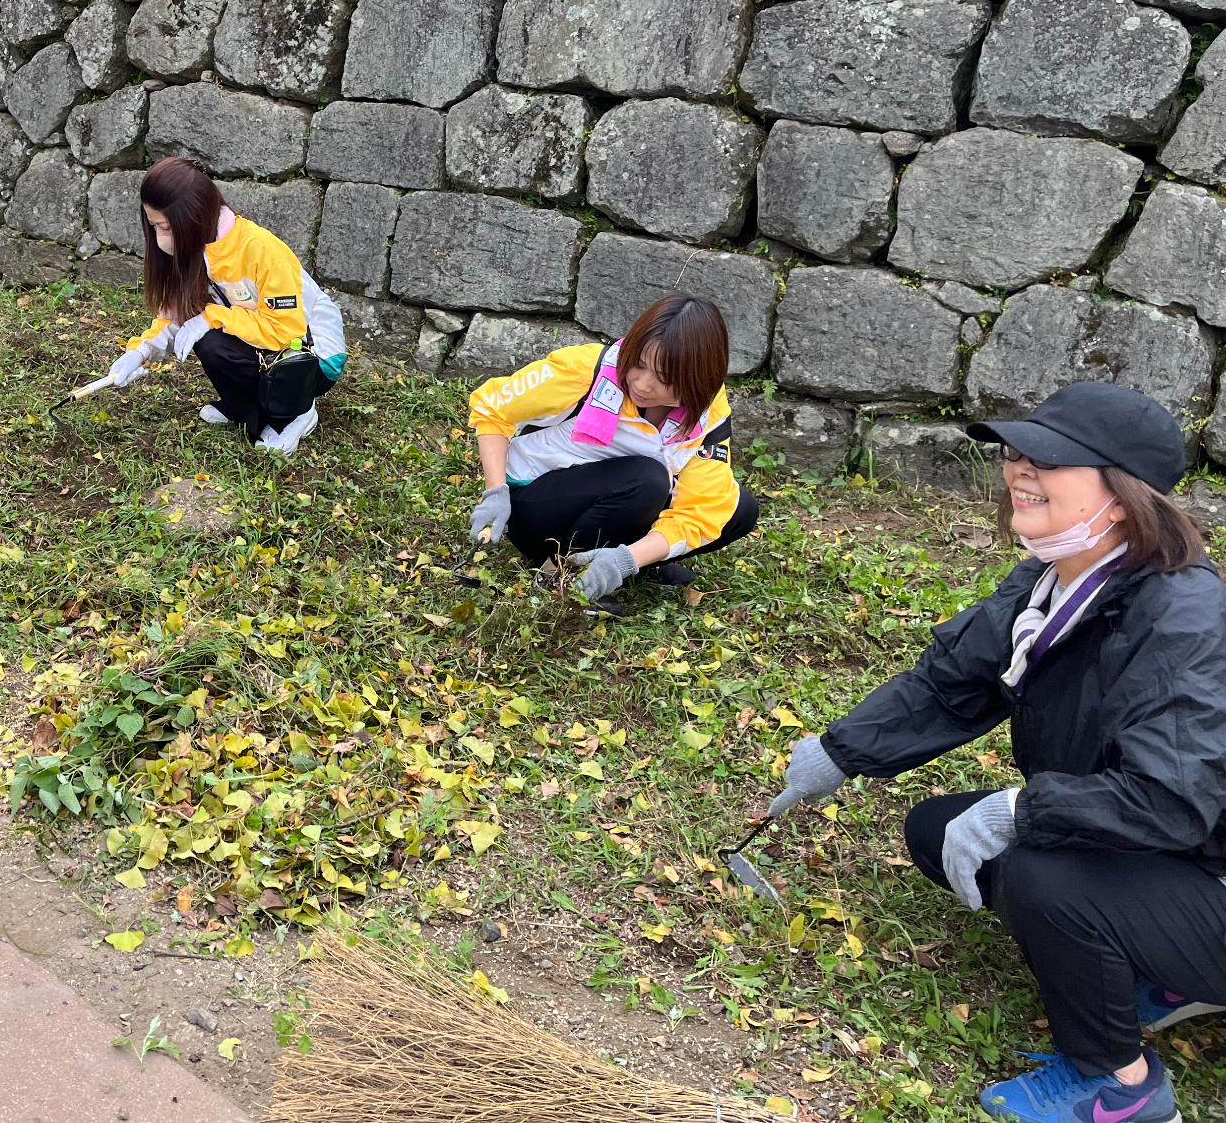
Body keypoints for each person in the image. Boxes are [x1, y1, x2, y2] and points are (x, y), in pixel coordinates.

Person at [767, 383, 1226, 1123]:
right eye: (1015, 451)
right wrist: (839, 751)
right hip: (1178, 855)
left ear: (1124, 490)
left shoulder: (1182, 615)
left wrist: (1019, 809)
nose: (1018, 468)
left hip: (1207, 862)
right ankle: (1170, 978)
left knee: (1044, 870)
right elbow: (953, 684)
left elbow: (1169, 799)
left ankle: (1123, 1088)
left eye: (1047, 457)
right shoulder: (1055, 580)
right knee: (936, 831)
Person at [464, 295, 757, 606]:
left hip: (620, 500)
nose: (643, 385)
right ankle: (557, 574)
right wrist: (496, 491)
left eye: (665, 378)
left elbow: (702, 509)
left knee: (738, 510)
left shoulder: (708, 414)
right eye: (639, 364)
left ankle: (617, 564)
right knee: (648, 479)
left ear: (699, 381)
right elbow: (494, 408)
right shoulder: (585, 370)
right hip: (537, 503)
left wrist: (628, 559)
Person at [105, 156, 345, 454]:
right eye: (154, 226)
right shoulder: (194, 250)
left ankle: (296, 413)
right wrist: (140, 351)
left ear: (192, 216)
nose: (159, 239)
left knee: (212, 335)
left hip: (313, 356)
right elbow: (177, 314)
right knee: (210, 340)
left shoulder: (260, 249)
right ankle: (243, 407)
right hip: (267, 342)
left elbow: (285, 331)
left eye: (164, 227)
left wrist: (213, 316)